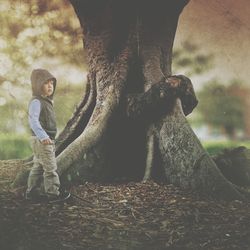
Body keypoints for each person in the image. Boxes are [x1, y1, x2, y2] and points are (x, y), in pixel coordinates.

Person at [25, 68, 70, 203]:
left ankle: (31, 192)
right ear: (38, 85)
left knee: (38, 165)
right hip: (42, 140)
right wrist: (43, 136)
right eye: (46, 83)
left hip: (42, 140)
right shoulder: (36, 101)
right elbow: (33, 120)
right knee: (50, 167)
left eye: (52, 83)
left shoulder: (47, 101)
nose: (50, 86)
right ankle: (53, 194)